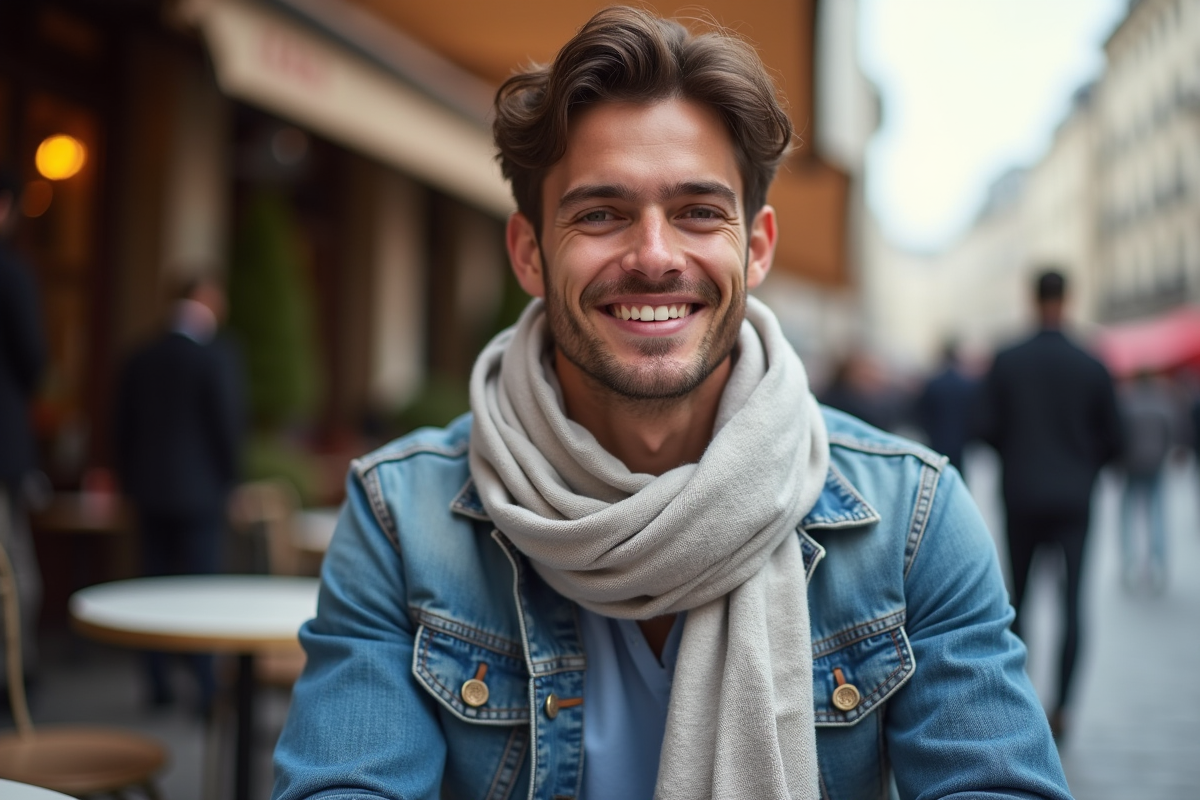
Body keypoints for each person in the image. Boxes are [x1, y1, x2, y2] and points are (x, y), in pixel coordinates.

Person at [273, 9, 1071, 799]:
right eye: (600, 213)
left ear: (754, 249)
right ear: (528, 251)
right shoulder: (400, 518)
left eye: (697, 211)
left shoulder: (912, 519)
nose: (654, 256)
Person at [975, 269, 1122, 740]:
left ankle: (1021, 701)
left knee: (1019, 601)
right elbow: (1115, 440)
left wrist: (1018, 455)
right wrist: (1082, 464)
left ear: (1031, 297)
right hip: (1076, 499)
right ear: (1069, 298)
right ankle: (1063, 708)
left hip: (1021, 494)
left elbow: (983, 427)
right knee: (1073, 603)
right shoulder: (1092, 362)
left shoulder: (1007, 359)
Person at [114, 276, 244, 712]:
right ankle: (206, 688)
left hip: (147, 489)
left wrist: (125, 481)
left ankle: (157, 685)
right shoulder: (216, 356)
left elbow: (121, 426)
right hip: (201, 492)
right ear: (206, 299)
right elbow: (227, 426)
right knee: (201, 590)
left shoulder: (140, 354)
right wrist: (233, 481)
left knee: (150, 587)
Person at [0, 170, 47, 690]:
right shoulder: (12, 274)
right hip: (4, 446)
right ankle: (14, 675)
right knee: (10, 568)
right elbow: (33, 359)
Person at [1116, 371, 1179, 591]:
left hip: (1131, 464)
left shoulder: (1127, 402)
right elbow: (1171, 431)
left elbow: (1118, 434)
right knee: (1156, 513)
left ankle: (1128, 562)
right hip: (1155, 462)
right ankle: (1157, 562)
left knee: (1127, 515)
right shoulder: (1161, 401)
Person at [915, 339, 978, 473]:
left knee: (937, 471)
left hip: (937, 437)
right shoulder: (965, 384)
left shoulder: (934, 383)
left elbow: (922, 412)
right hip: (959, 438)